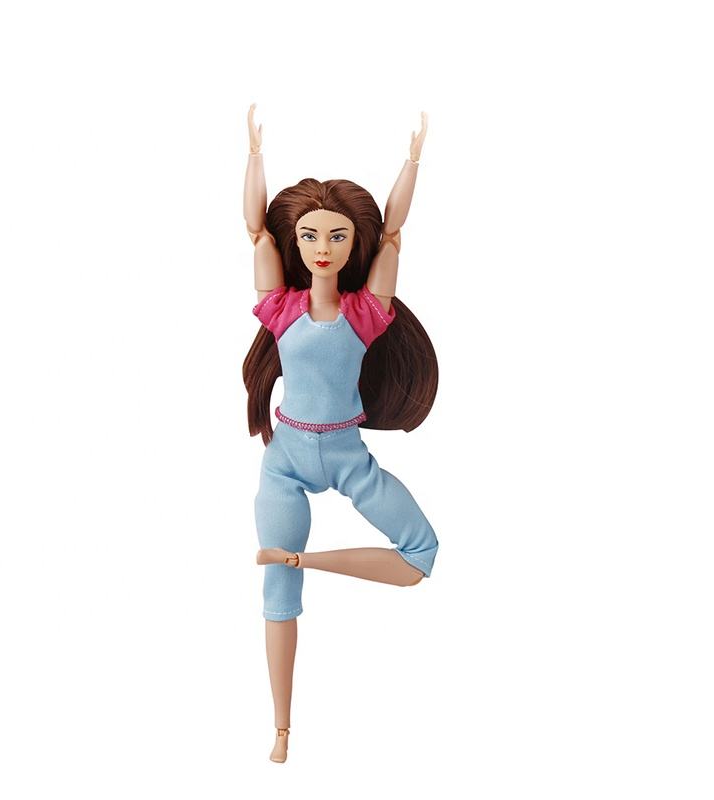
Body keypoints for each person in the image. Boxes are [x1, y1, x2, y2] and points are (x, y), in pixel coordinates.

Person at [242, 104, 440, 763]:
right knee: (276, 593)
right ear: (296, 244)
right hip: (286, 461)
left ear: (353, 245)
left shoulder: (365, 314)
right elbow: (254, 229)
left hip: (350, 458)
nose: (322, 248)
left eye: (336, 236)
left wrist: (412, 161)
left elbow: (395, 234)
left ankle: (305, 561)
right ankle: (281, 730)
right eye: (309, 236)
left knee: (420, 555)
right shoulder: (281, 308)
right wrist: (254, 156)